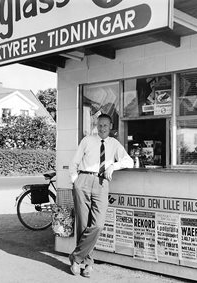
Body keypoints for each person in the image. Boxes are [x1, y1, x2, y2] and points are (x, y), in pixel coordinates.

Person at [68, 113, 133, 277]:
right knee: (83, 224)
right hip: (83, 180)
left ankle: (76, 257)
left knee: (98, 224)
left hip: (102, 182)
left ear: (111, 126)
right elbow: (74, 162)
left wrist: (113, 167)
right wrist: (75, 180)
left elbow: (129, 161)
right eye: (100, 125)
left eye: (105, 125)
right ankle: (86, 264)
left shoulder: (114, 143)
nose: (102, 128)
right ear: (96, 126)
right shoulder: (87, 140)